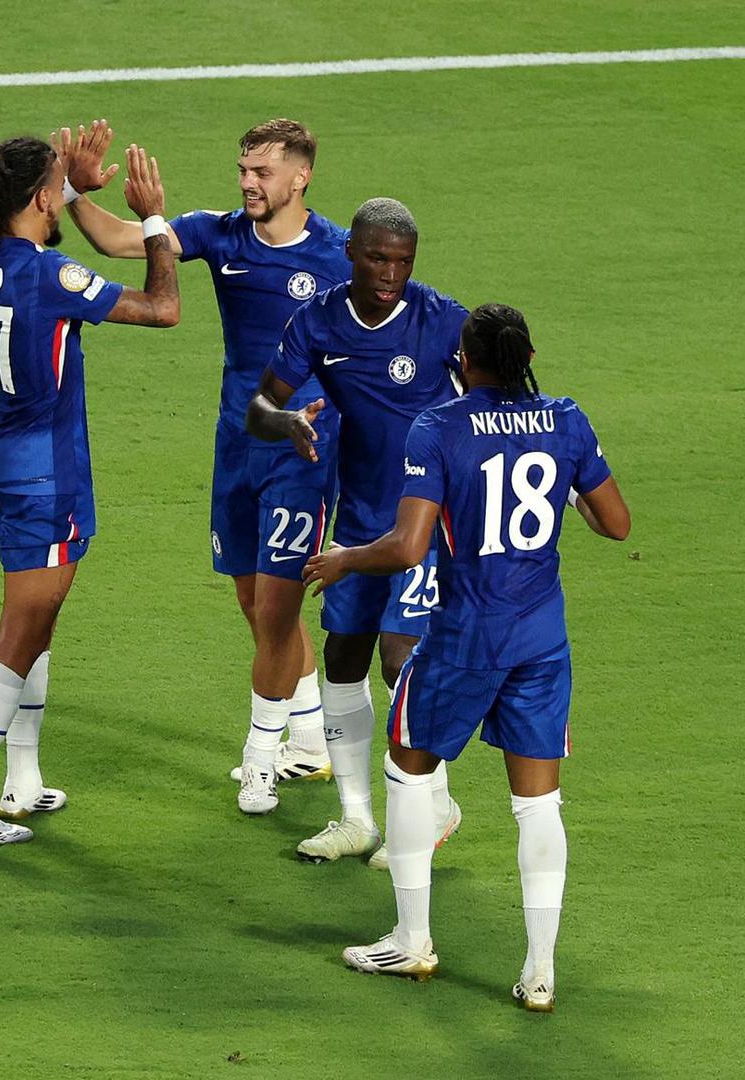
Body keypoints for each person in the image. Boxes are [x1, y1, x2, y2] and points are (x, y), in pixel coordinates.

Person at [303, 303, 631, 1011]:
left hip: (465, 636)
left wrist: (345, 558)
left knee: (408, 767)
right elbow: (616, 523)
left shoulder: (440, 426)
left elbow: (408, 547)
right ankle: (540, 972)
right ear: (528, 357)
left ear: (464, 362)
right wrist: (567, 485)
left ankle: (412, 939)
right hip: (542, 639)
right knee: (538, 802)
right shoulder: (567, 419)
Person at [62, 119, 350, 813]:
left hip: (304, 449)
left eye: (262, 173)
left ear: (301, 176)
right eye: (244, 170)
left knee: (276, 606)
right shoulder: (218, 234)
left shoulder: (341, 253)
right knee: (254, 600)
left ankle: (261, 760)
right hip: (237, 441)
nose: (248, 183)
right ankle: (310, 738)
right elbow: (120, 242)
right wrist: (72, 193)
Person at [0, 136, 180, 844]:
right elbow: (163, 308)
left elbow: (28, 233)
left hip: (1, 452)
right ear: (38, 198)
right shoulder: (47, 275)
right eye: (57, 185)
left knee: (39, 621)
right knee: (21, 631)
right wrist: (153, 220)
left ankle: (22, 777)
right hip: (45, 471)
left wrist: (69, 189)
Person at [246, 198, 466, 861]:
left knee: (399, 658)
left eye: (403, 262)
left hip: (426, 520)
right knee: (344, 657)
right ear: (350, 253)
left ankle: (435, 805)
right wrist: (287, 422)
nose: (391, 274)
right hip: (361, 516)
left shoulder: (442, 320)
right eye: (377, 258)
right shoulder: (318, 321)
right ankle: (356, 819)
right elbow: (260, 405)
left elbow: (500, 395)